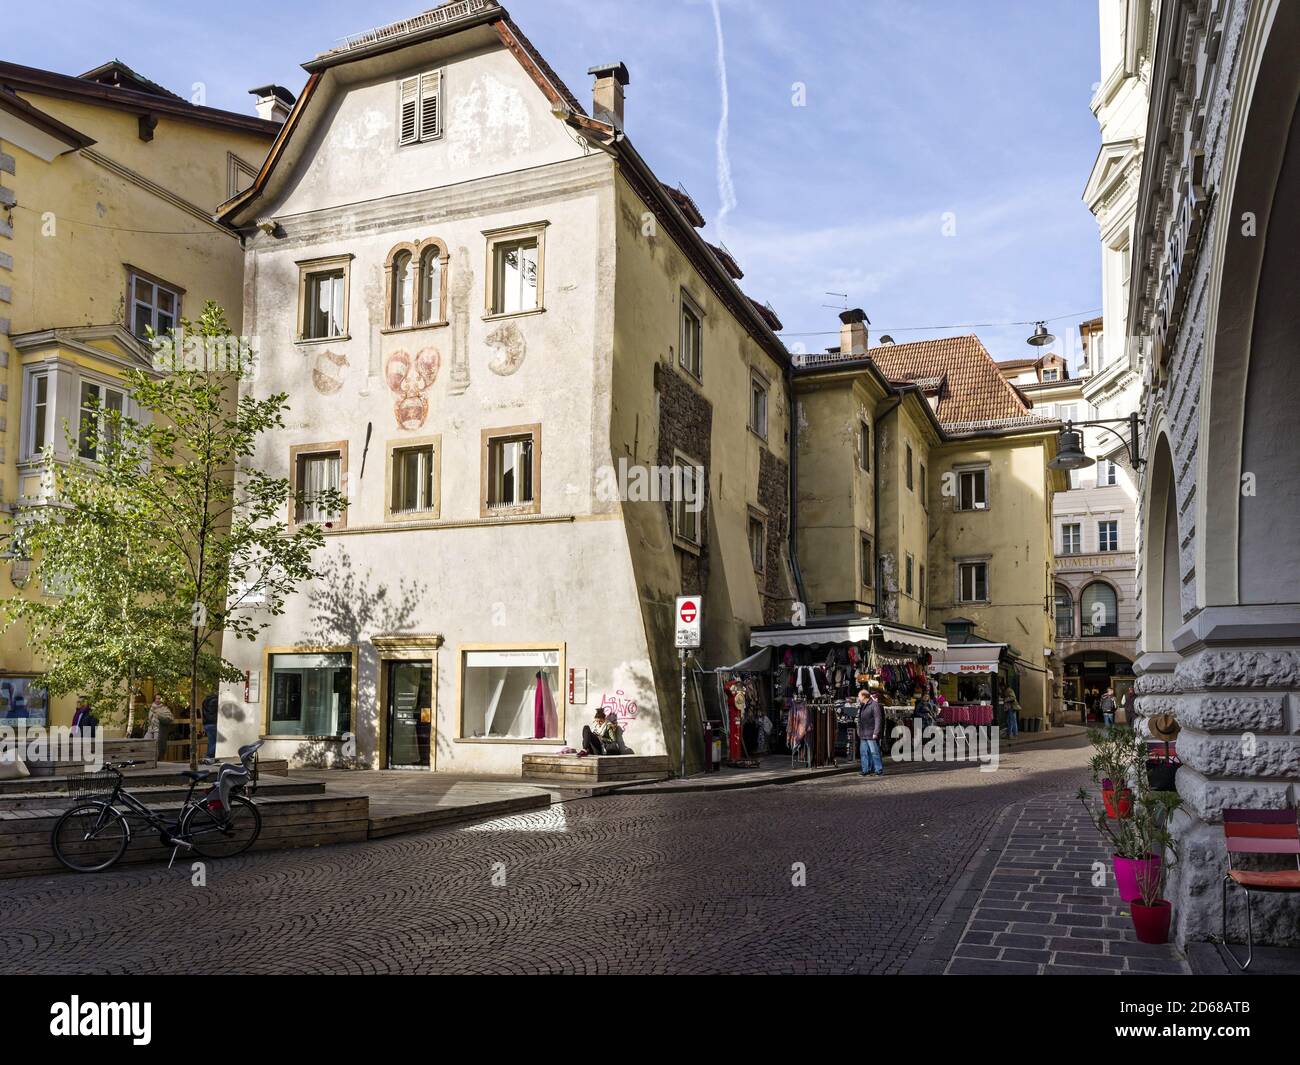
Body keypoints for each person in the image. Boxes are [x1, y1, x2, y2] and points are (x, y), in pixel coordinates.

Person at [856, 687, 884, 777]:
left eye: (859, 696)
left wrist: (876, 732)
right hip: (863, 733)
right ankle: (866, 770)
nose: (858, 698)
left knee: (874, 752)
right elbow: (861, 719)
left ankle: (878, 769)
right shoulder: (863, 705)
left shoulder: (874, 705)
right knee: (864, 753)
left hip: (871, 733)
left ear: (864, 696)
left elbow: (878, 719)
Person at [201, 691, 219, 764]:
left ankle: (210, 757)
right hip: (213, 723)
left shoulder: (205, 701)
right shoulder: (215, 701)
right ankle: (209, 756)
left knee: (211, 741)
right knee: (216, 742)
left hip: (206, 723)